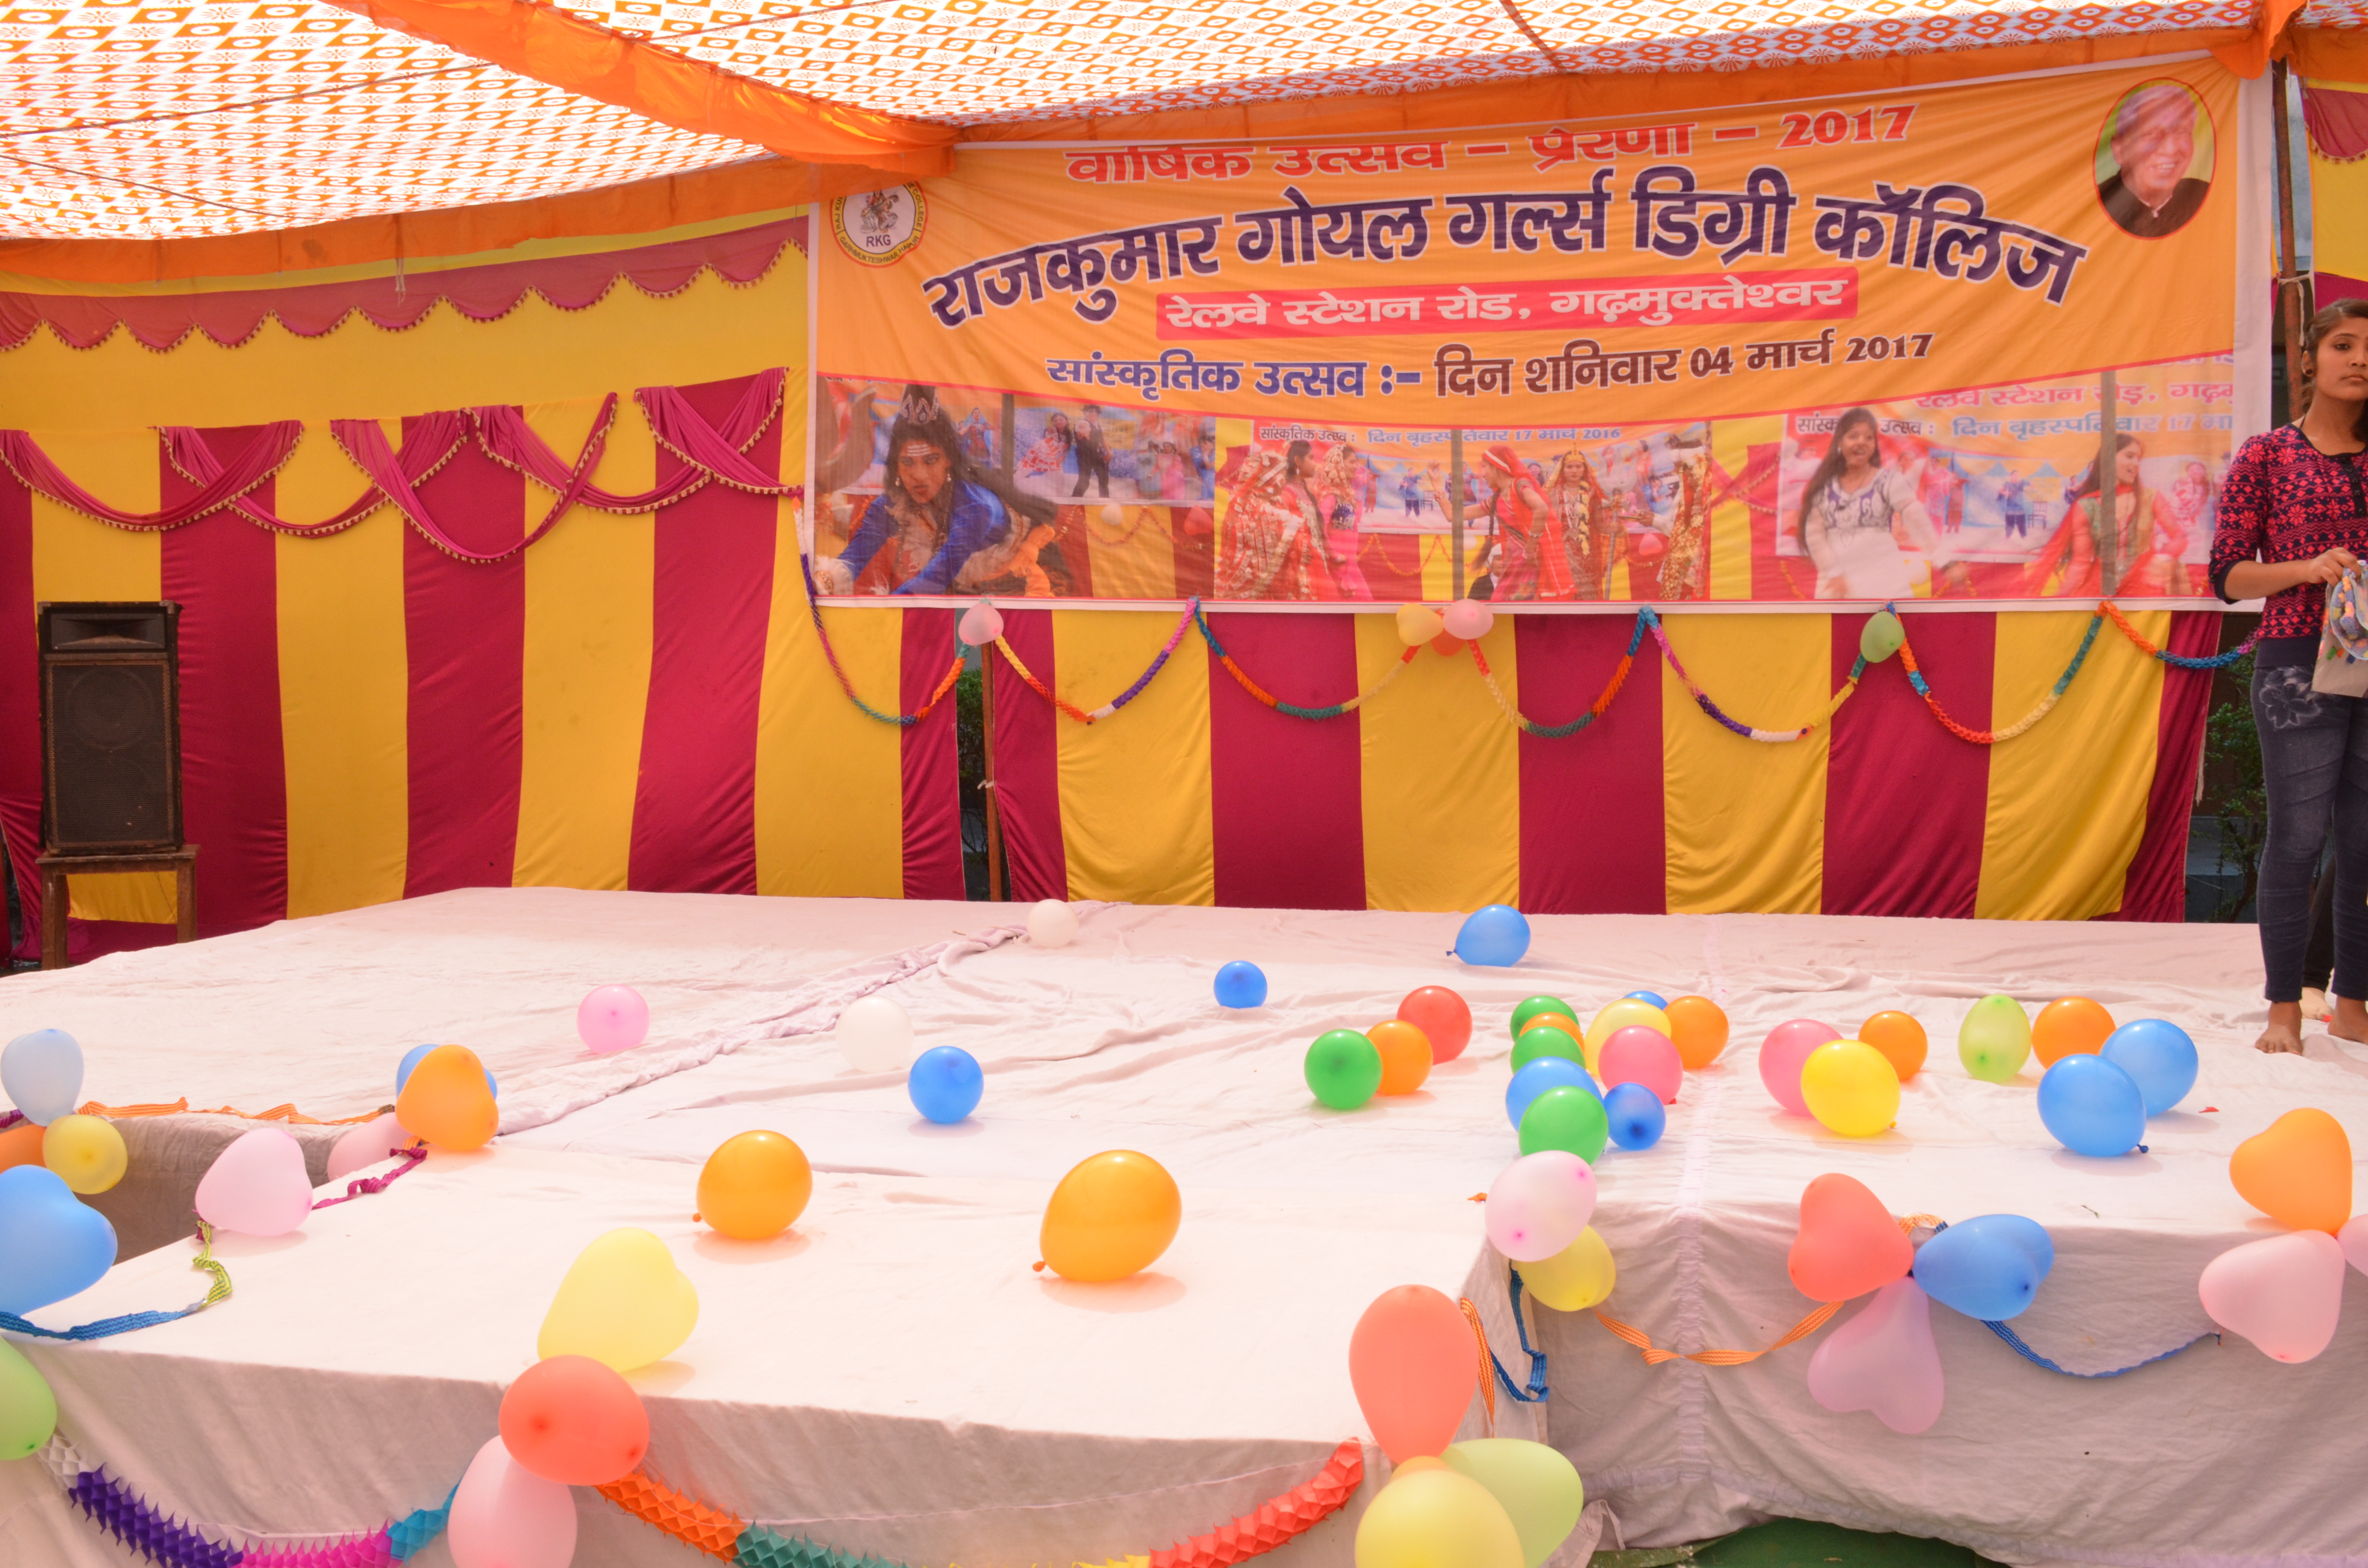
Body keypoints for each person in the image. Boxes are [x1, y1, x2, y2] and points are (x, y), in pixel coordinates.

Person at [2210, 298, 2368, 1053]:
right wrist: (2307, 568)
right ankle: (2284, 1007)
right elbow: (2228, 576)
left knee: (2364, 843)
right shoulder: (2267, 454)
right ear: (2308, 358)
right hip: (2297, 662)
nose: (2360, 359)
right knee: (2299, 836)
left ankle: (2354, 1003)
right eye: (2343, 345)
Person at [823, 385, 1056, 595]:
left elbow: (933, 581)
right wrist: (823, 581)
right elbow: (853, 559)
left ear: (949, 460)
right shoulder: (891, 505)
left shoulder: (975, 507)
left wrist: (884, 613)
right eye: (907, 462)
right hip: (955, 594)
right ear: (896, 466)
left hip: (1016, 590)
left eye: (931, 460)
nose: (919, 476)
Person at [1796, 408, 1970, 599]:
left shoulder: (1889, 481)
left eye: (1869, 438)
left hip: (1884, 583)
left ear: (1874, 445)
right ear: (1840, 443)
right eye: (1853, 436)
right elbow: (1814, 535)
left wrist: (1945, 563)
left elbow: (1917, 519)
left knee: (1889, 618)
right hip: (1838, 585)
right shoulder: (1824, 488)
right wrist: (1833, 573)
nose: (1862, 442)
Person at [2023, 434, 2155, 597]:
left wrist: (2165, 557)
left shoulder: (2150, 498)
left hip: (2140, 591)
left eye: (2139, 459)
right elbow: (2081, 563)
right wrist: (2060, 600)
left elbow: (2178, 538)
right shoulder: (2087, 506)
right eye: (2130, 456)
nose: (2136, 463)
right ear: (2108, 458)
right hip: (2098, 591)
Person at [2099, 83, 2210, 239]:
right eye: (2151, 133)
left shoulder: (2207, 197)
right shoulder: (2096, 205)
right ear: (2119, 149)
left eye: (2181, 131)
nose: (2170, 149)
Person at [1217, 445, 1329, 600]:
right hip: (1271, 595)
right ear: (1271, 480)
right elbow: (1291, 564)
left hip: (1240, 597)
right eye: (1281, 475)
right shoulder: (1280, 518)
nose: (1284, 479)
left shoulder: (1239, 508)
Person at [1477, 443, 1568, 600]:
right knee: (1503, 604)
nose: (1483, 474)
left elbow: (1542, 509)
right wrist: (1437, 486)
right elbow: (1453, 516)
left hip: (1531, 563)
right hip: (1515, 565)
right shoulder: (1497, 499)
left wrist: (1530, 550)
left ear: (1495, 467)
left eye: (1484, 467)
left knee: (1521, 606)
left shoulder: (1520, 486)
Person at [1543, 448, 1624, 600]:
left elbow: (1600, 525)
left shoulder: (1592, 493)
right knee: (1564, 593)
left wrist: (1615, 528)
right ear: (1563, 470)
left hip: (1587, 553)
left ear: (1584, 469)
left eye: (1578, 467)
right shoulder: (1553, 493)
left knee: (1587, 593)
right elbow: (1545, 524)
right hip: (1560, 552)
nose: (1574, 471)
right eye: (1570, 467)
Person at [1315, 442, 1373, 599]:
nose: (1356, 466)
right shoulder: (1330, 496)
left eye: (1357, 462)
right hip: (1335, 568)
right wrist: (1333, 556)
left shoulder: (1345, 496)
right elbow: (1318, 528)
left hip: (1349, 567)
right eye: (1352, 462)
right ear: (1339, 464)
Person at [1016, 411, 1073, 489]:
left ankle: (1059, 495)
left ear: (1066, 420)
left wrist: (1063, 456)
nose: (1058, 422)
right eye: (1055, 421)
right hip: (1038, 456)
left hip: (1051, 458)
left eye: (1061, 420)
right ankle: (1009, 487)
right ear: (1053, 423)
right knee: (1021, 473)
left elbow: (1067, 446)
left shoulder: (1069, 434)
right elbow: (1049, 440)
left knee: (1060, 479)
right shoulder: (1052, 430)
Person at [1072, 404, 1111, 499]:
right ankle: (1075, 500)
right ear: (1085, 413)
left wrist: (1109, 452)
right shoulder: (1082, 423)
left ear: (1098, 414)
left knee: (1104, 478)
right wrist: (1083, 432)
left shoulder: (1098, 426)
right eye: (1090, 411)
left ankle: (1104, 500)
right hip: (1085, 455)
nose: (1093, 413)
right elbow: (1081, 434)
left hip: (1097, 454)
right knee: (1084, 481)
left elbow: (1102, 439)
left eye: (1095, 412)